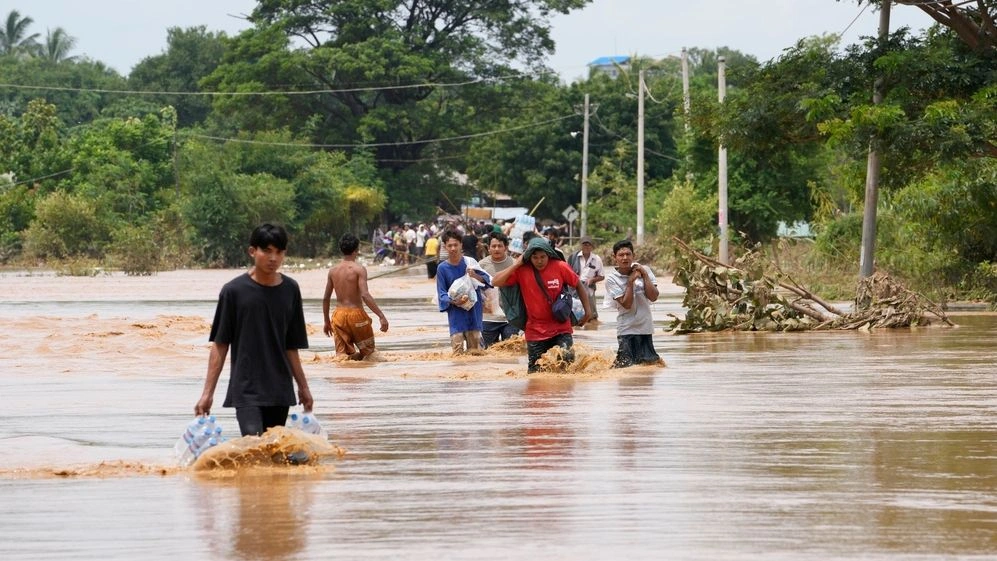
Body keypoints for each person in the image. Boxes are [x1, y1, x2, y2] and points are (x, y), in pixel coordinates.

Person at [195, 223, 314, 437]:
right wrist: (207, 394)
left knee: (273, 450)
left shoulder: (290, 290)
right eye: (267, 251)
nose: (273, 258)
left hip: (279, 388)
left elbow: (291, 347)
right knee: (252, 441)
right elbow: (220, 344)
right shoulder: (234, 292)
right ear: (252, 251)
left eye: (279, 252)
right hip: (246, 387)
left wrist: (304, 388)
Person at [491, 237, 592, 373]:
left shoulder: (560, 266)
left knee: (567, 366)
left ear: (549, 255)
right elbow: (495, 282)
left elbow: (578, 284)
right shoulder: (522, 270)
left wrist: (588, 312)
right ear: (529, 258)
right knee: (535, 374)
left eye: (543, 257)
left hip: (561, 328)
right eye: (535, 257)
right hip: (535, 331)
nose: (539, 261)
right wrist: (516, 264)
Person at [322, 233, 389, 360]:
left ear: (341, 250)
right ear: (356, 250)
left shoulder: (333, 271)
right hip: (357, 315)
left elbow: (326, 298)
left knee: (341, 357)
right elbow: (365, 295)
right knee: (370, 356)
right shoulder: (359, 269)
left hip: (339, 316)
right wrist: (381, 316)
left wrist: (326, 321)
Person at [604, 239, 663, 368]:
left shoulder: (644, 270)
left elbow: (653, 297)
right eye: (621, 255)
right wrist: (630, 282)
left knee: (648, 367)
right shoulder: (611, 279)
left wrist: (645, 275)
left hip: (645, 327)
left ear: (633, 256)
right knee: (625, 367)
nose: (625, 258)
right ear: (615, 258)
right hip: (627, 329)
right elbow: (627, 304)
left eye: (628, 254)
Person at [436, 230, 491, 355]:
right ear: (445, 247)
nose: (453, 248)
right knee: (457, 352)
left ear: (461, 245)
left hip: (474, 313)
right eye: (449, 246)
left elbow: (488, 281)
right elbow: (441, 293)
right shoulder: (442, 268)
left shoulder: (470, 263)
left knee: (477, 353)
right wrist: (454, 301)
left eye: (456, 245)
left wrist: (475, 275)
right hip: (456, 315)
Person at [479, 232, 520, 348]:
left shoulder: (515, 264)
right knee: (488, 354)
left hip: (511, 318)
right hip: (488, 318)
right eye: (493, 246)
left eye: (500, 246)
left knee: (511, 352)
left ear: (506, 247)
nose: (496, 249)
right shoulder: (481, 266)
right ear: (488, 248)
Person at [568, 236, 605, 320]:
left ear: (592, 247)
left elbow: (602, 276)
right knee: (575, 311)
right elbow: (567, 271)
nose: (586, 247)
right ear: (581, 246)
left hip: (589, 289)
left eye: (588, 245)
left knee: (592, 313)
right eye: (584, 245)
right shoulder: (573, 257)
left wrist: (592, 280)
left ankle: (592, 326)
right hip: (575, 288)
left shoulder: (596, 259)